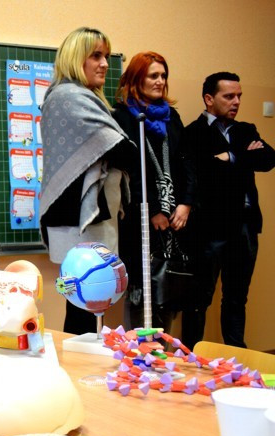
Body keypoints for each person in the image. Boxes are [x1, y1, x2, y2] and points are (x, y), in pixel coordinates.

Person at [39, 27, 135, 334]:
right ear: (75, 58)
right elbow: (122, 151)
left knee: (85, 301)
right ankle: (80, 372)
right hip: (80, 217)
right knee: (85, 301)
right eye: (96, 55)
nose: (105, 63)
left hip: (83, 216)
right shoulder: (69, 97)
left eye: (106, 56)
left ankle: (80, 369)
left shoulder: (75, 97)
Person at [181, 72, 275, 348]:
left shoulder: (246, 129)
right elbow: (205, 172)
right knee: (199, 298)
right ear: (209, 99)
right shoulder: (193, 132)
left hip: (244, 228)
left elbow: (268, 158)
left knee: (236, 298)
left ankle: (237, 357)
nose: (236, 102)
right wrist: (243, 159)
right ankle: (191, 357)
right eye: (229, 96)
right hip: (209, 229)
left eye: (239, 96)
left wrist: (232, 157)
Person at [113, 52, 196, 331]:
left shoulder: (173, 118)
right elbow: (128, 171)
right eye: (153, 76)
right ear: (138, 79)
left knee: (169, 291)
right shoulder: (124, 117)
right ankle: (140, 357)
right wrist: (152, 211)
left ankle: (163, 357)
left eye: (163, 76)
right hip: (141, 220)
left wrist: (185, 204)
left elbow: (187, 163)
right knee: (143, 291)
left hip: (176, 222)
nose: (160, 81)